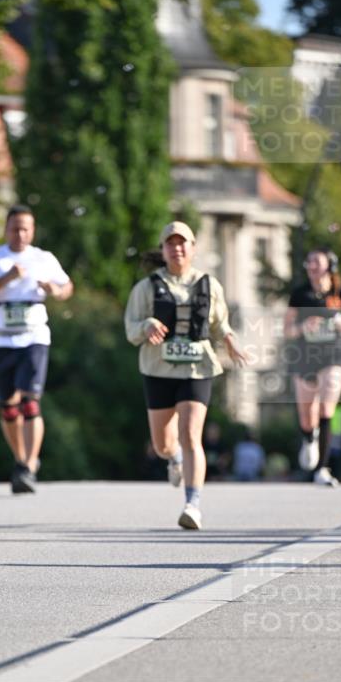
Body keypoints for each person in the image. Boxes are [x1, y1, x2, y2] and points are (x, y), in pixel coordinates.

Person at [125, 221, 248, 530]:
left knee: (192, 434)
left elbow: (220, 323)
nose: (177, 248)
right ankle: (174, 457)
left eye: (183, 243)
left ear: (193, 248)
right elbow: (131, 329)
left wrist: (230, 340)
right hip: (158, 369)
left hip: (197, 368)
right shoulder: (146, 288)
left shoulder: (210, 284)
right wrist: (146, 326)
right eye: (170, 243)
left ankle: (192, 504)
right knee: (163, 445)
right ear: (163, 249)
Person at [0, 206, 73, 493]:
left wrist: (55, 290)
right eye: (15, 228)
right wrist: (7, 278)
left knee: (30, 401)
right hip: (0, 339)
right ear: (6, 229)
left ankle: (27, 465)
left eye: (26, 228)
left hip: (34, 336)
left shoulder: (43, 258)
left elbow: (67, 288)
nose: (21, 233)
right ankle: (21, 460)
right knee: (8, 407)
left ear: (33, 230)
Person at [284, 249, 341, 487]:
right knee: (307, 416)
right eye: (309, 262)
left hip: (334, 355)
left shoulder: (340, 294)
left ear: (330, 266)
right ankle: (309, 438)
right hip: (306, 357)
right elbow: (287, 330)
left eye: (317, 262)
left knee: (326, 408)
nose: (311, 266)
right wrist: (304, 326)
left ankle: (322, 469)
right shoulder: (299, 295)